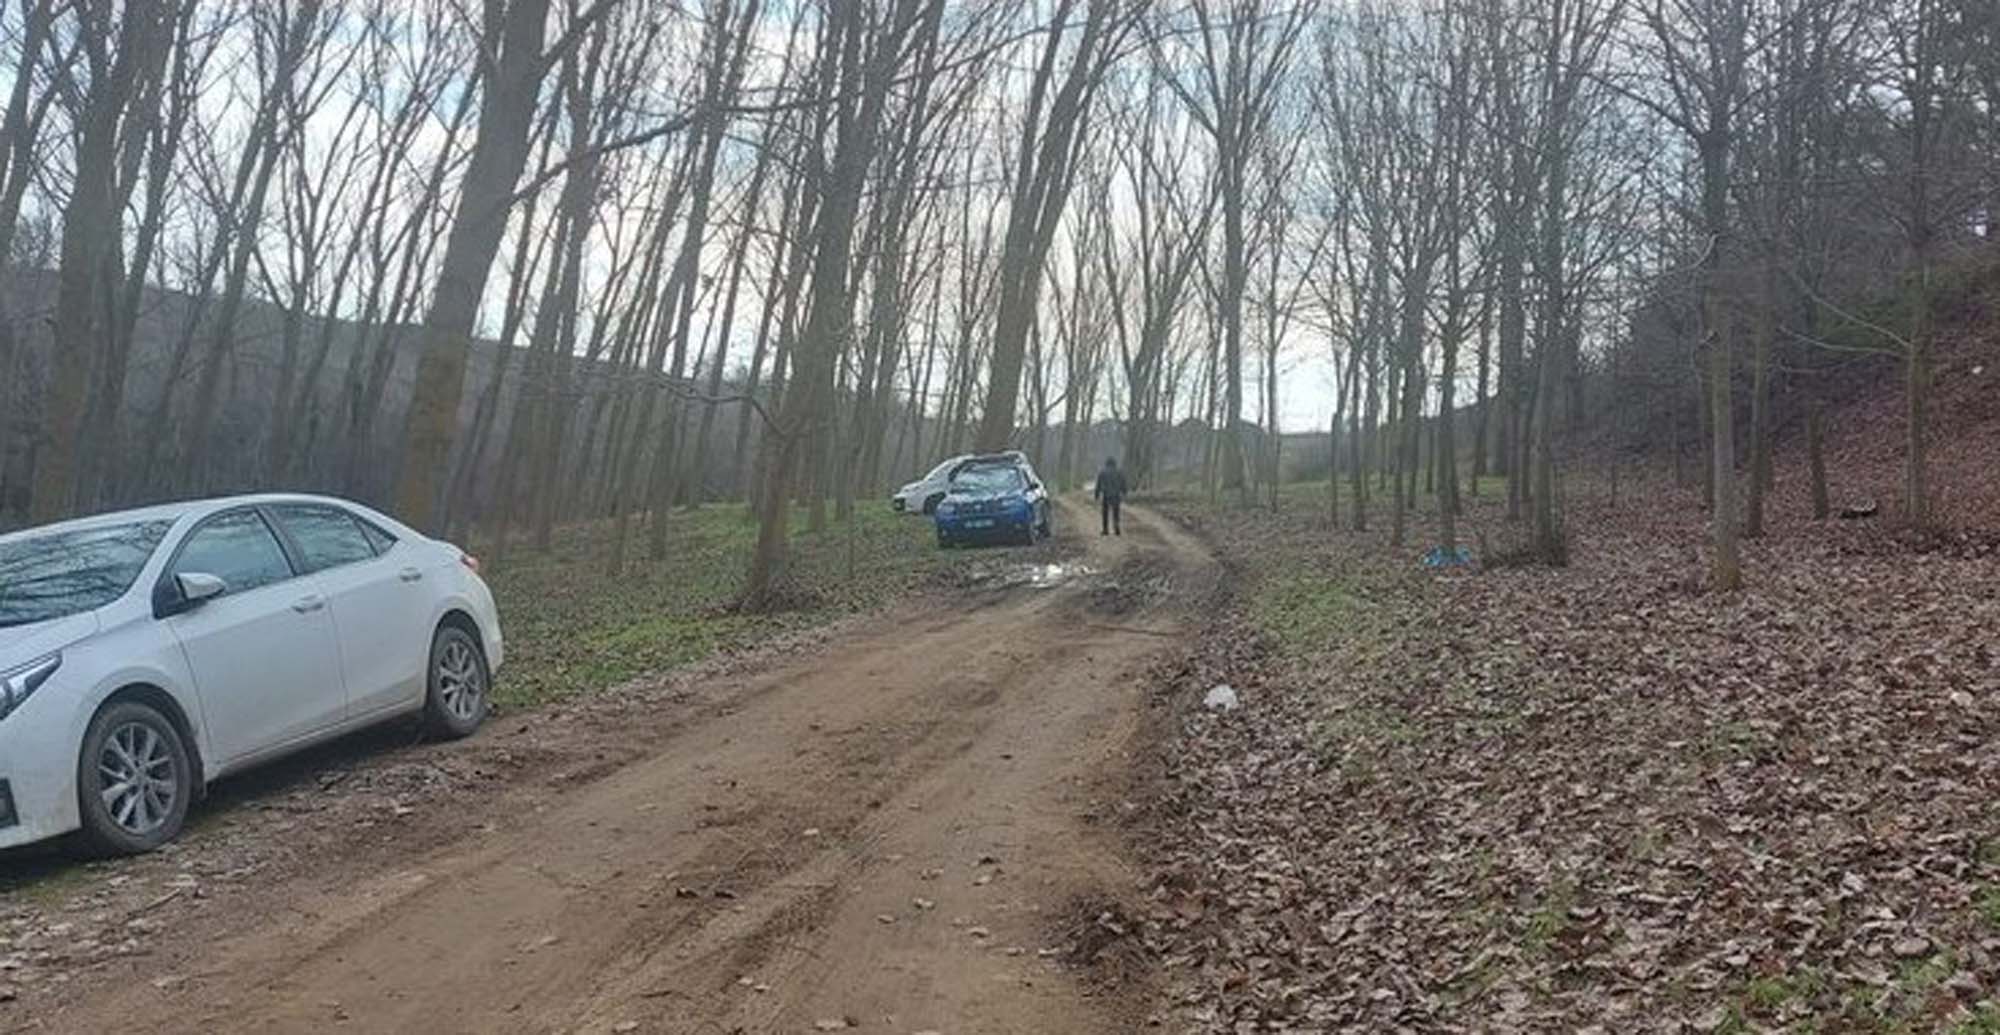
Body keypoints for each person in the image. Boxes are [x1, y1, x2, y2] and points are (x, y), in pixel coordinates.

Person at [1093, 457, 1128, 536]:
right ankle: (1116, 527)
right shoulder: (1120, 472)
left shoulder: (1102, 472)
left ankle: (1105, 530)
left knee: (1105, 513)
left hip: (1106, 495)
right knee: (1116, 512)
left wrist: (1096, 496)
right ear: (1115, 464)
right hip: (1116, 495)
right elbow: (1123, 483)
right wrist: (1124, 492)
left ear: (1107, 463)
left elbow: (1098, 485)